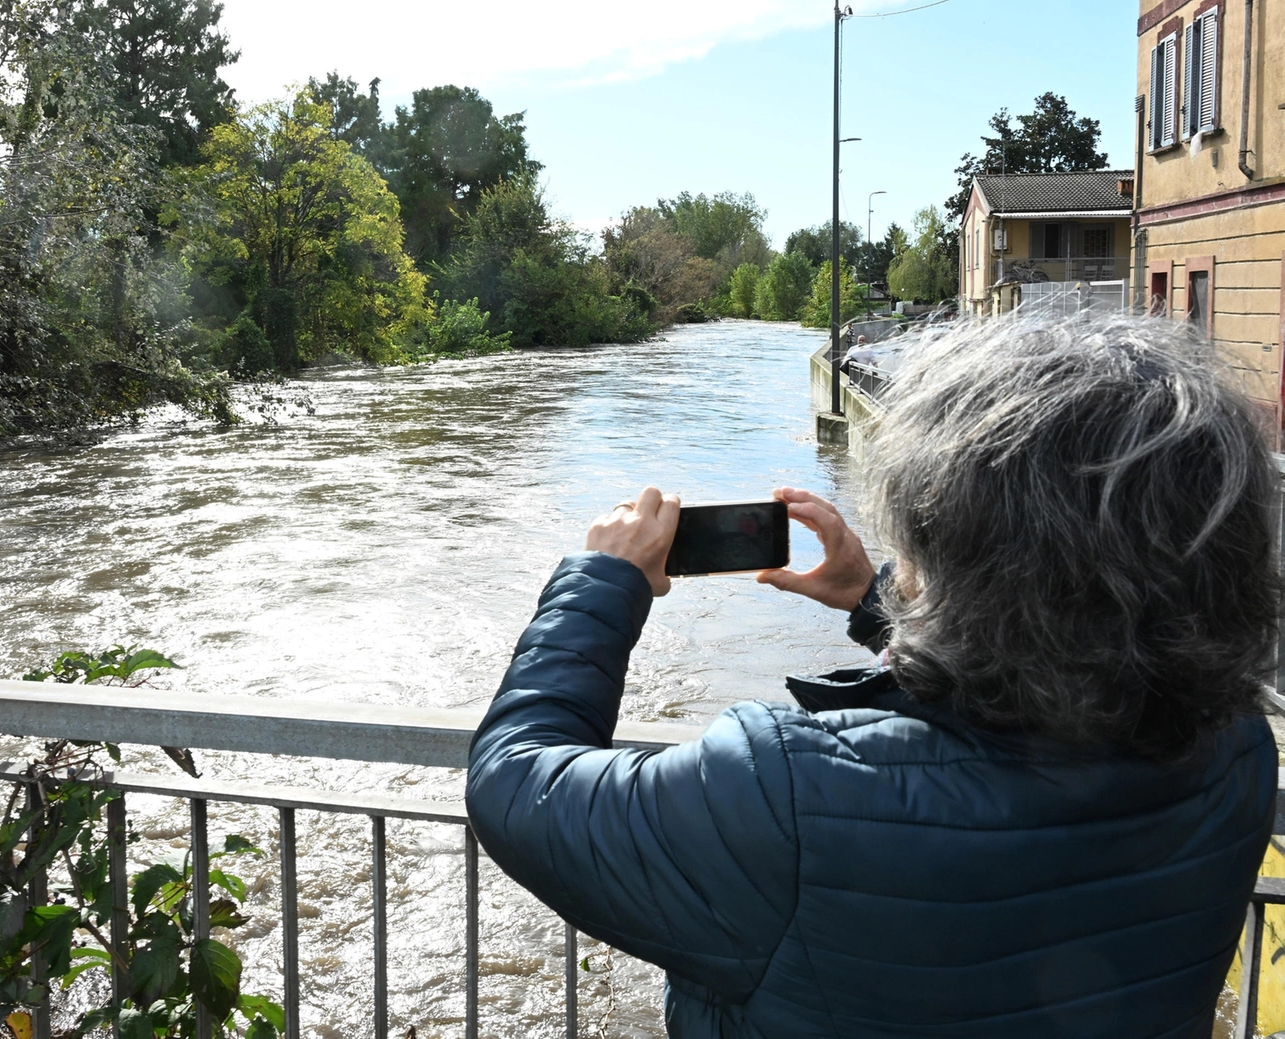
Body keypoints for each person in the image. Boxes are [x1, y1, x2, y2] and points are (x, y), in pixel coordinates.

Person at [465, 315, 1280, 1037]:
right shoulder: (1235, 750)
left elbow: (512, 781)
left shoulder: (789, 793)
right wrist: (880, 599)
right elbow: (1077, 642)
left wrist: (603, 580)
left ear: (954, 546)